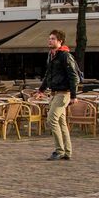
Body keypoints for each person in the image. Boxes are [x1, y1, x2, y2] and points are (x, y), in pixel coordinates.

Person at [36, 29, 80, 161]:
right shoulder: (51, 55)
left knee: (51, 119)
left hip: (63, 93)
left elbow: (73, 76)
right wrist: (41, 90)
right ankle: (67, 151)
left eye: (53, 39)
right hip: (54, 93)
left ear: (60, 41)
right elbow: (48, 75)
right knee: (61, 123)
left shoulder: (65, 56)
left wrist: (74, 96)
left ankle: (59, 150)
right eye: (49, 38)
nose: (50, 41)